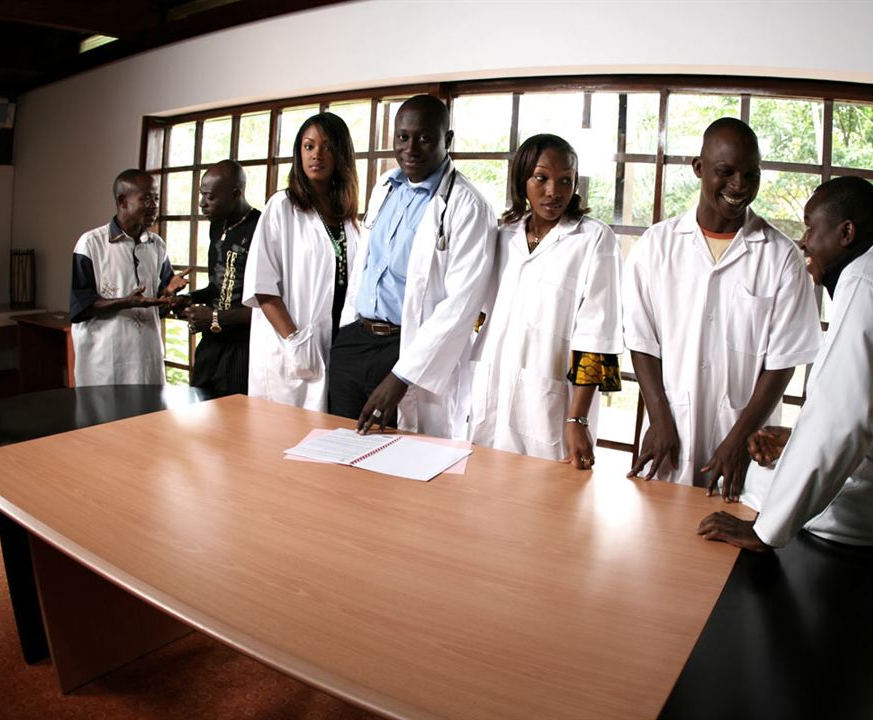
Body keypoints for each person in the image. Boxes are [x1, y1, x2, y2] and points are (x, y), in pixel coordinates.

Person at [698, 176, 873, 549]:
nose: (805, 241)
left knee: (744, 478)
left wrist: (763, 531)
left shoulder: (867, 279)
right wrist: (795, 441)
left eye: (811, 227)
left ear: (846, 233)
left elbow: (840, 419)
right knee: (782, 467)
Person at [623, 118, 821, 497]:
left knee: (730, 537)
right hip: (672, 430)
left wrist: (739, 438)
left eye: (751, 175)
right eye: (725, 172)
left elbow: (782, 363)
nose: (739, 187)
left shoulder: (781, 257)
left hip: (743, 439)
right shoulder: (656, 246)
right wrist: (660, 417)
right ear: (699, 168)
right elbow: (642, 341)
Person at [333, 94, 496, 438]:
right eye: (403, 137)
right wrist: (346, 333)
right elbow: (367, 265)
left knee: (395, 465)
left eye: (424, 138)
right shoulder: (384, 188)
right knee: (339, 451)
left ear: (447, 140)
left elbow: (462, 304)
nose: (411, 148)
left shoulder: (468, 206)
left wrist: (401, 375)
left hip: (405, 351)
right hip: (355, 341)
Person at [468, 134, 622, 468]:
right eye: (542, 178)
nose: (554, 191)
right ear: (522, 179)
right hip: (487, 399)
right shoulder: (503, 234)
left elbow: (597, 338)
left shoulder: (593, 239)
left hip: (549, 410)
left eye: (565, 180)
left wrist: (577, 420)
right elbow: (480, 316)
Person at [241, 113, 360, 411]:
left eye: (326, 146)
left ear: (341, 154)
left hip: (338, 344)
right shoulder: (282, 207)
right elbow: (263, 286)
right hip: (292, 345)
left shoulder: (350, 218)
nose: (316, 154)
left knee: (329, 439)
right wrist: (294, 340)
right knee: (284, 438)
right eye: (308, 146)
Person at [69, 169, 189, 386]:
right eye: (146, 198)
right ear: (123, 201)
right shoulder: (91, 244)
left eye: (156, 198)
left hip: (146, 359)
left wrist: (169, 294)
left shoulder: (156, 245)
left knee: (147, 418)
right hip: (104, 362)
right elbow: (80, 307)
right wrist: (126, 302)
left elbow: (160, 305)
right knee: (105, 419)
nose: (153, 205)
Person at [172, 160, 259, 396]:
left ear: (235, 194)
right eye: (201, 195)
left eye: (209, 197)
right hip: (211, 343)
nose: (201, 204)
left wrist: (213, 317)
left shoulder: (261, 229)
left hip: (243, 349)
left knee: (234, 422)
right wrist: (190, 297)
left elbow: (265, 307)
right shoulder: (217, 225)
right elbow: (218, 285)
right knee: (198, 410)